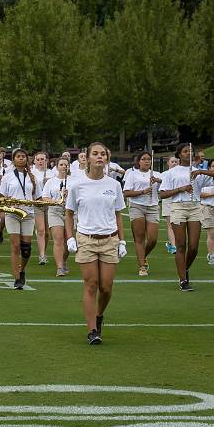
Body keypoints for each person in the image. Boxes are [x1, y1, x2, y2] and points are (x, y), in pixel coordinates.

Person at [65, 142, 126, 345]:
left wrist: (122, 240)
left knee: (106, 287)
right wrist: (70, 237)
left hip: (109, 239)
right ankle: (92, 330)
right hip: (86, 239)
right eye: (95, 154)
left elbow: (118, 215)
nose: (100, 157)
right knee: (91, 284)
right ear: (88, 158)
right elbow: (69, 213)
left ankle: (99, 316)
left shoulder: (114, 185)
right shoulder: (77, 184)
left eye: (103, 154)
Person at [159, 143, 214, 291]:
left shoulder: (197, 171)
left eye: (191, 151)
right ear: (179, 154)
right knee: (181, 245)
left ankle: (184, 269)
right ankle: (183, 280)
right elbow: (162, 194)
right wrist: (181, 189)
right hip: (178, 207)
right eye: (185, 151)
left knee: (194, 247)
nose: (188, 153)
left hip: (195, 207)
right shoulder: (171, 173)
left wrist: (202, 171)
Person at [0, 148, 42, 289]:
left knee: (26, 249)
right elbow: (1, 196)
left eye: (23, 156)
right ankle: (17, 277)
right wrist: (8, 201)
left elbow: (38, 197)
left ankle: (22, 269)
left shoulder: (32, 177)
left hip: (28, 214)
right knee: (15, 246)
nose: (21, 158)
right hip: (12, 214)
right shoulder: (8, 176)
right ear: (14, 159)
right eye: (18, 156)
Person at [123, 151, 162, 276]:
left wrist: (158, 180)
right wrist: (142, 192)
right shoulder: (132, 175)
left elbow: (165, 188)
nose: (146, 161)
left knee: (153, 239)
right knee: (139, 237)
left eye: (149, 159)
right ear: (138, 161)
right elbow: (126, 192)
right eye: (144, 159)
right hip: (137, 206)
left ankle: (142, 256)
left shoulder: (157, 174)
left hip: (153, 206)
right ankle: (142, 266)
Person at [42, 157, 70, 276]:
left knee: (69, 242)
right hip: (55, 211)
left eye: (66, 164)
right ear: (57, 166)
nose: (64, 166)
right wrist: (56, 201)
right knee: (58, 239)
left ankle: (63, 260)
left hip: (70, 212)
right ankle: (59, 267)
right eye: (61, 164)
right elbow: (45, 197)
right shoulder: (51, 181)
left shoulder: (74, 181)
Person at [31, 151, 53, 265]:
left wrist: (49, 182)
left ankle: (44, 251)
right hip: (37, 203)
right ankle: (42, 255)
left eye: (42, 159)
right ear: (34, 161)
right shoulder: (31, 173)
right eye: (38, 159)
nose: (40, 161)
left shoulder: (52, 173)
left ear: (47, 160)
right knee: (41, 230)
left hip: (49, 204)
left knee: (48, 232)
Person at [160, 156, 179, 254]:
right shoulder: (164, 174)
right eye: (172, 161)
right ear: (168, 163)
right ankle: (174, 246)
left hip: (178, 201)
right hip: (167, 201)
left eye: (176, 161)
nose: (174, 163)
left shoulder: (180, 174)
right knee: (170, 224)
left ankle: (172, 242)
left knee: (177, 224)